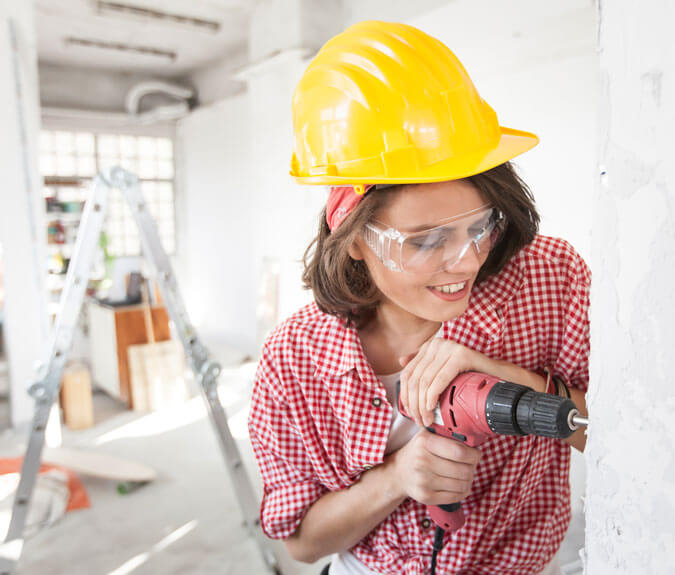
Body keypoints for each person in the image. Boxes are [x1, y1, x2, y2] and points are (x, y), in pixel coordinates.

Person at [248, 21, 590, 575]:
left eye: (481, 227)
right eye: (426, 241)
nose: (467, 261)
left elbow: (619, 435)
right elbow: (303, 545)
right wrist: (398, 478)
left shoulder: (550, 278)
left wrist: (518, 382)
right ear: (354, 239)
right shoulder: (294, 359)